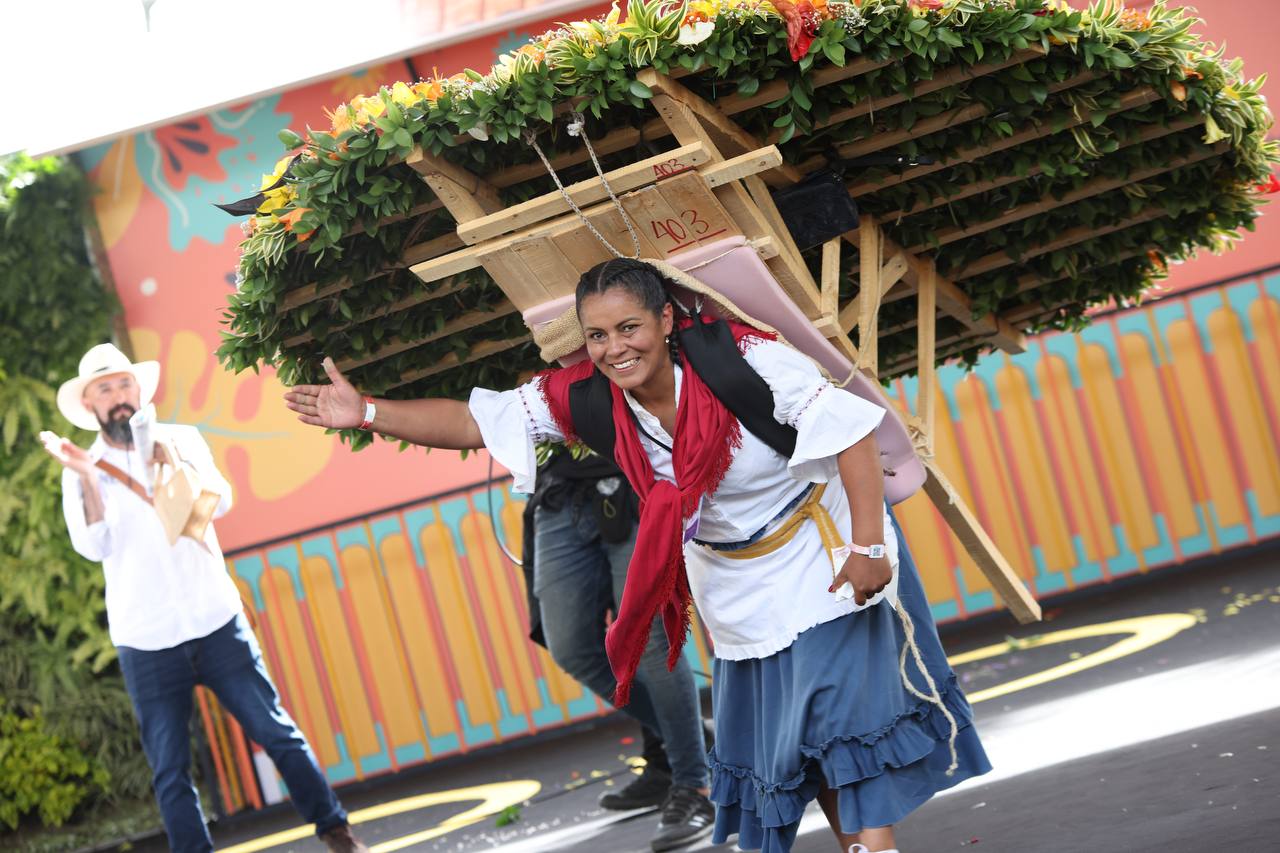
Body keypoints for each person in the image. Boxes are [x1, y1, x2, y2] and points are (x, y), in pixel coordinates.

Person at [283, 258, 991, 853]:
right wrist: (366, 412)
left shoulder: (743, 359)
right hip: (736, 586)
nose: (614, 348)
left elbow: (851, 433)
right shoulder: (586, 398)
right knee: (804, 746)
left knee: (841, 725)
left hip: (823, 550)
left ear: (666, 320)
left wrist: (870, 545)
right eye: (596, 335)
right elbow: (475, 421)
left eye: (629, 328)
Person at [42, 343, 367, 853]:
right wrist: (87, 479)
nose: (118, 396)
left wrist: (171, 464)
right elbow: (92, 546)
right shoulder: (81, 467)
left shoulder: (180, 438)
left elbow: (220, 504)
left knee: (276, 732)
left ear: (138, 389)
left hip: (215, 619)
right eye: (105, 389)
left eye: (124, 384)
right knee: (170, 768)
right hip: (146, 638)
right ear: (89, 404)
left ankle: (337, 832)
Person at [520, 447, 713, 850]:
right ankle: (693, 740)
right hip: (559, 489)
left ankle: (694, 785)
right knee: (571, 646)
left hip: (636, 477)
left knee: (649, 639)